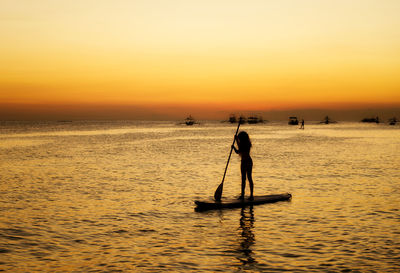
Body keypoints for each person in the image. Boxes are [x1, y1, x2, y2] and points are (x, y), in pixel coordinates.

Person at [232, 131, 254, 200]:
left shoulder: (247, 144)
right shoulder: (243, 143)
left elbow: (239, 151)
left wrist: (235, 144)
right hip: (243, 162)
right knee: (243, 179)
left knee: (249, 178)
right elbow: (239, 149)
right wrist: (236, 142)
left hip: (248, 162)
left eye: (240, 138)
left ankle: (251, 195)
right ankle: (242, 195)